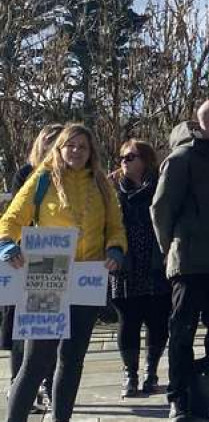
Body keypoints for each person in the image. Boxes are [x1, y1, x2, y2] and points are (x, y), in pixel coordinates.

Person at [0, 124, 127, 422]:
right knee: (35, 362)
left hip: (87, 277)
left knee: (72, 360)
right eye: (71, 145)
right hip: (48, 272)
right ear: (59, 148)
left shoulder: (100, 183)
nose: (76, 151)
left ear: (91, 152)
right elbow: (11, 219)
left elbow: (115, 226)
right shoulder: (43, 177)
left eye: (83, 147)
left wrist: (115, 249)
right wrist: (8, 246)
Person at [151, 99, 209, 422]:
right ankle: (178, 398)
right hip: (189, 263)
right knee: (182, 331)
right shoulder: (183, 158)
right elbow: (161, 208)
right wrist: (171, 249)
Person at [1, 124, 62, 413]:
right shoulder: (27, 174)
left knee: (52, 325)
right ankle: (18, 386)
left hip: (58, 259)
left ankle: (49, 385)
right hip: (28, 259)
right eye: (49, 141)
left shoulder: (73, 177)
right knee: (22, 327)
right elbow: (16, 215)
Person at [111, 140, 171, 398]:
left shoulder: (161, 187)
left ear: (146, 160)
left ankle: (151, 372)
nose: (125, 160)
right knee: (128, 321)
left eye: (131, 156)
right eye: (123, 156)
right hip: (126, 264)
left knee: (157, 320)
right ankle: (130, 374)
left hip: (156, 262)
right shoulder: (113, 189)